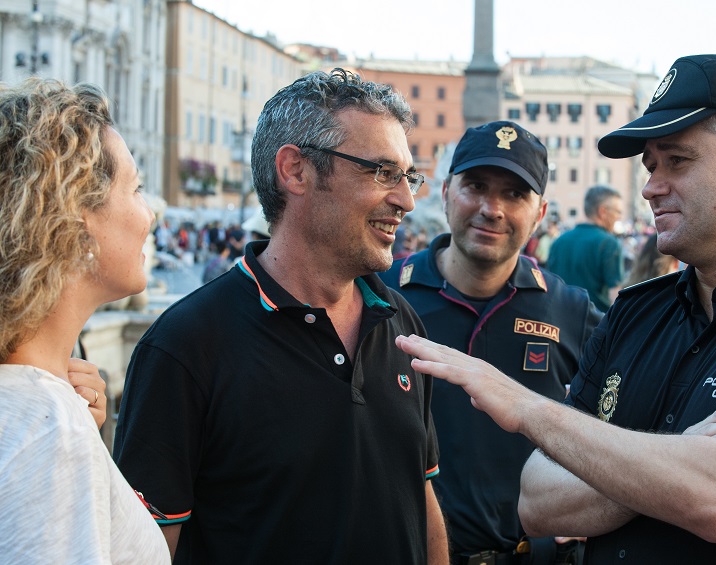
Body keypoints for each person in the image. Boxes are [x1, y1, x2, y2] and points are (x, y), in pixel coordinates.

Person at [395, 54, 716, 563]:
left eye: (678, 161)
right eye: (651, 167)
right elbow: (539, 502)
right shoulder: (636, 313)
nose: (651, 187)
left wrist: (527, 408)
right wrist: (685, 451)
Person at [113, 68, 448, 564]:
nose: (406, 200)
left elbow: (421, 501)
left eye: (408, 176)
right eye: (382, 172)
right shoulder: (185, 347)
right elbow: (146, 549)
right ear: (295, 171)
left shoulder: (402, 324)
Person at [381, 120, 601, 563]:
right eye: (476, 186)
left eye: (515, 194)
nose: (491, 209)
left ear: (540, 214)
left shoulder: (570, 310)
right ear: (446, 192)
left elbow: (623, 420)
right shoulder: (381, 295)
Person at [0, 78, 168, 563]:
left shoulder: (42, 415)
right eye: (135, 189)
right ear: (75, 220)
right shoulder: (48, 433)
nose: (149, 216)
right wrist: (64, 432)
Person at [547, 185, 624, 311]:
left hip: (559, 317)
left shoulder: (559, 241)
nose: (619, 217)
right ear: (603, 212)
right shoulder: (609, 243)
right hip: (595, 319)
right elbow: (615, 294)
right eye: (618, 212)